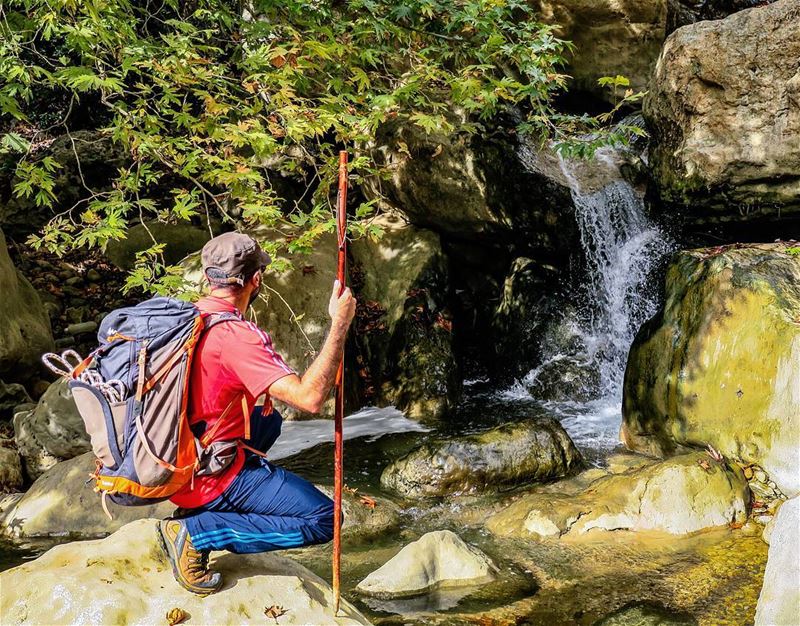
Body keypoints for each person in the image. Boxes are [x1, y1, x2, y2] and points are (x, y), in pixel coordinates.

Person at [156, 232, 356, 595]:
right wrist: (339, 324)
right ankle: (196, 532)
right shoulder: (235, 336)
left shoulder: (185, 319)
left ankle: (199, 512)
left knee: (268, 420)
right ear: (256, 280)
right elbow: (310, 398)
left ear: (208, 277)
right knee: (326, 519)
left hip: (173, 463)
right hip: (209, 477)